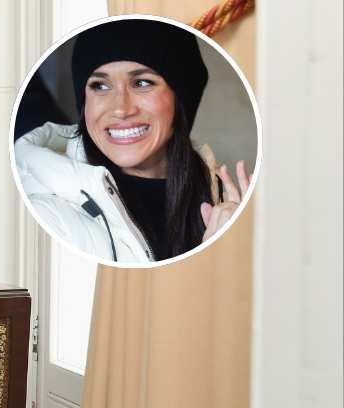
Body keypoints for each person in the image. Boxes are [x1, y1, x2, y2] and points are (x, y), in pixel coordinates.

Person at [14, 18, 251, 264]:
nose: (121, 109)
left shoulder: (226, 204)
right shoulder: (47, 217)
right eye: (100, 86)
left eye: (142, 83)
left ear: (181, 101)